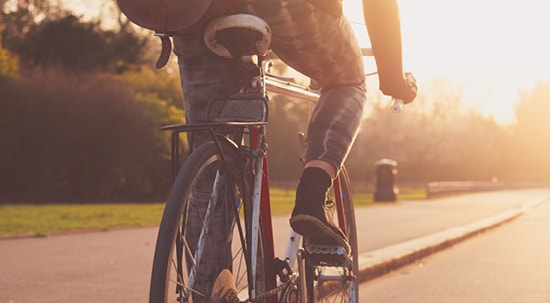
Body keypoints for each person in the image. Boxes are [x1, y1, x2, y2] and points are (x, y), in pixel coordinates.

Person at [173, 0, 417, 253]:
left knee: (210, 165)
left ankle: (203, 287)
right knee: (346, 81)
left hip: (191, 13)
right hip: (286, 7)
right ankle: (312, 190)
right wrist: (393, 78)